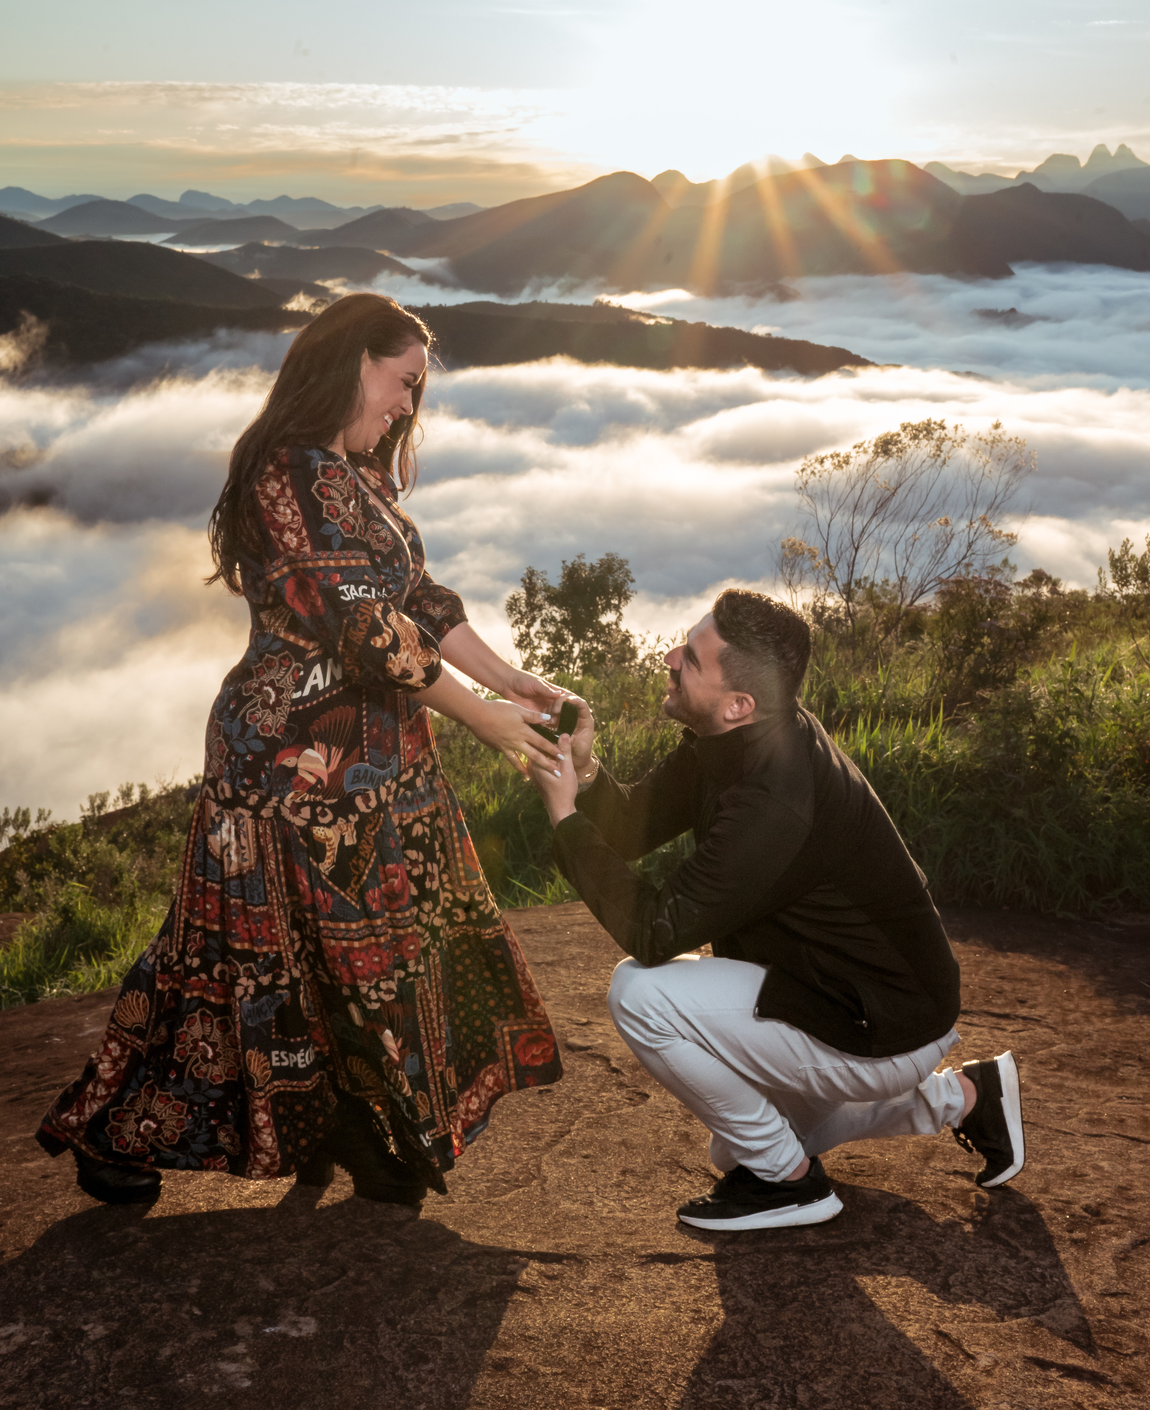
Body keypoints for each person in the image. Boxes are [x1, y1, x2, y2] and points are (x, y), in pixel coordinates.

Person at [38, 293, 565, 1210]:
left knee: (370, 951)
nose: (407, 406)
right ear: (352, 362)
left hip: (375, 761)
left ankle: (352, 1127)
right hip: (285, 764)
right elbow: (363, 629)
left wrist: (514, 681)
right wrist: (480, 716)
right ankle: (127, 1130)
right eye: (402, 382)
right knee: (245, 960)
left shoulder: (357, 476)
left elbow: (417, 600)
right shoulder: (287, 473)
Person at [532, 588, 1025, 1232]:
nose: (670, 658)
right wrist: (586, 769)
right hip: (851, 1000)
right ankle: (966, 1097)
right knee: (732, 1148)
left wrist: (564, 816)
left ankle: (791, 1185)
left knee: (639, 993)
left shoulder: (773, 799)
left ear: (739, 703)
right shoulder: (734, 739)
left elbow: (655, 931)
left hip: (878, 1023)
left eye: (691, 659)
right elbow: (629, 829)